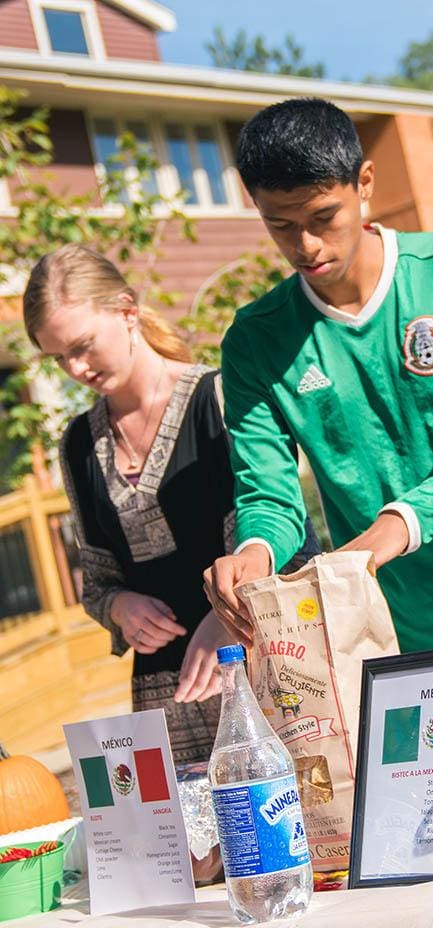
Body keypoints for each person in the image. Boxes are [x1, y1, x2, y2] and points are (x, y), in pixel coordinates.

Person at [202, 98, 433, 774]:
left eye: (322, 219)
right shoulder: (255, 340)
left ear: (364, 185)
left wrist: (390, 528)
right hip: (397, 645)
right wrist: (252, 551)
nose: (306, 246)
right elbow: (271, 497)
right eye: (280, 226)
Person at [23, 245, 317, 766]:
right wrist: (119, 607)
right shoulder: (77, 445)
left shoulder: (222, 399)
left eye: (83, 345)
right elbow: (97, 580)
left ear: (128, 311)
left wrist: (228, 616)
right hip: (166, 701)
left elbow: (289, 538)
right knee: (192, 848)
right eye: (58, 357)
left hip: (264, 674)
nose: (75, 367)